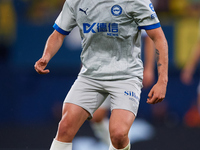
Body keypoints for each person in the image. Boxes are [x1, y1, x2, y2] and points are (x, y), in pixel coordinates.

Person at [34, 0, 168, 150]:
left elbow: (158, 37)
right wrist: (46, 56)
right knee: (65, 127)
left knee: (118, 134)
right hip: (90, 75)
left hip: (126, 75)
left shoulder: (136, 1)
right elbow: (58, 34)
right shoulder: (76, 2)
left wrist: (162, 80)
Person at [90, 31, 156, 146]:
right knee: (96, 116)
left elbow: (150, 36)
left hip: (127, 72)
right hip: (101, 70)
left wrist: (149, 68)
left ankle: (119, 146)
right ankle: (116, 146)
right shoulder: (94, 14)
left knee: (120, 123)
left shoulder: (136, 12)